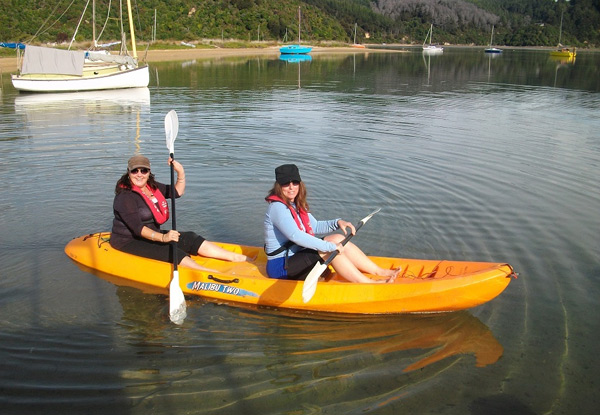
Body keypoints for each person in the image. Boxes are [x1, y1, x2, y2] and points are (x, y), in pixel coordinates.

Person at [264, 164, 400, 283]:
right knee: (330, 248)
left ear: (300, 183)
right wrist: (329, 247)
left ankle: (378, 271)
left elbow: (315, 226)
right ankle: (366, 283)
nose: (291, 187)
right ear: (279, 186)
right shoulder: (278, 208)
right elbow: (296, 236)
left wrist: (338, 222)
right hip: (281, 266)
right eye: (286, 184)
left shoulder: (295, 204)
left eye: (295, 182)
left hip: (297, 256)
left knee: (338, 238)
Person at [111, 155, 248, 270]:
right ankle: (205, 272)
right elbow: (137, 229)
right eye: (135, 171)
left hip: (151, 235)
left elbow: (176, 192)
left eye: (144, 171)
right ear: (128, 173)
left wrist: (180, 172)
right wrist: (164, 238)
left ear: (149, 172)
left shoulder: (151, 186)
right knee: (172, 251)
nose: (139, 175)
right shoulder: (125, 197)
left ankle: (236, 257)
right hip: (129, 240)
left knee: (189, 237)